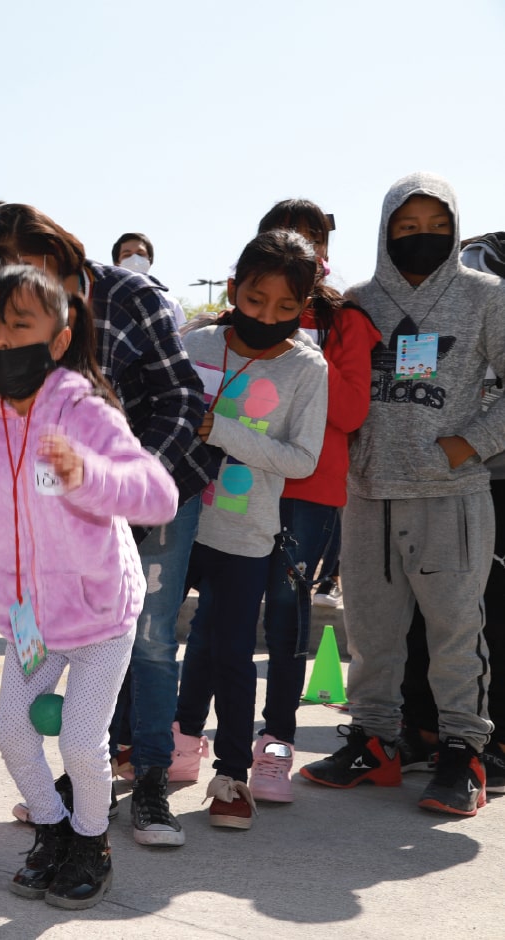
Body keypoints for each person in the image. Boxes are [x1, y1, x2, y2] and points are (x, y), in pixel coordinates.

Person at [0, 266, 177, 910]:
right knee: (12, 730)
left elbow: (158, 494)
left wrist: (88, 475)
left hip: (100, 613)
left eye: (20, 324)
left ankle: (91, 844)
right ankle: (52, 828)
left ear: (58, 337)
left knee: (80, 741)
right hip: (28, 619)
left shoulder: (85, 410)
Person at [0, 203, 213, 847]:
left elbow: (183, 398)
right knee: (32, 683)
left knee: (152, 639)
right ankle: (77, 797)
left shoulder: (131, 298)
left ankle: (152, 781)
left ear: (59, 254)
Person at [302, 172, 505, 817]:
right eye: (407, 227)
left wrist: (468, 444)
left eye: (435, 226)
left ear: (453, 226)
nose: (422, 237)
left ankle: (463, 753)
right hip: (368, 494)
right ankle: (374, 743)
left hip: (452, 494)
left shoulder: (486, 297)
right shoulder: (359, 299)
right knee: (370, 630)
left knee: (454, 629)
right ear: (387, 229)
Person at [172, 231, 328, 828]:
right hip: (176, 523)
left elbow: (301, 460)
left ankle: (233, 776)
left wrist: (222, 432)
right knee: (149, 644)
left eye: (287, 308)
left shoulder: (306, 369)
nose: (268, 317)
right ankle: (137, 752)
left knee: (235, 654)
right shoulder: (196, 342)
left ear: (304, 307)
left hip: (245, 537)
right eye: (256, 300)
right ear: (234, 288)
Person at [250, 200, 379, 802]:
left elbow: (351, 412)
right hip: (240, 481)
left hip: (309, 488)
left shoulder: (346, 321)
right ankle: (183, 735)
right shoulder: (236, 317)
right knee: (220, 613)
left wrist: (299, 360)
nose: (300, 253)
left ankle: (276, 744)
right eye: (284, 239)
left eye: (312, 242)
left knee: (285, 617)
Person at [111, 232, 186, 330]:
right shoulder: (109, 303)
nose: (135, 259)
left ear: (150, 260)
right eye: (127, 255)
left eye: (140, 254)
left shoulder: (169, 304)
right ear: (117, 263)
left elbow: (181, 340)